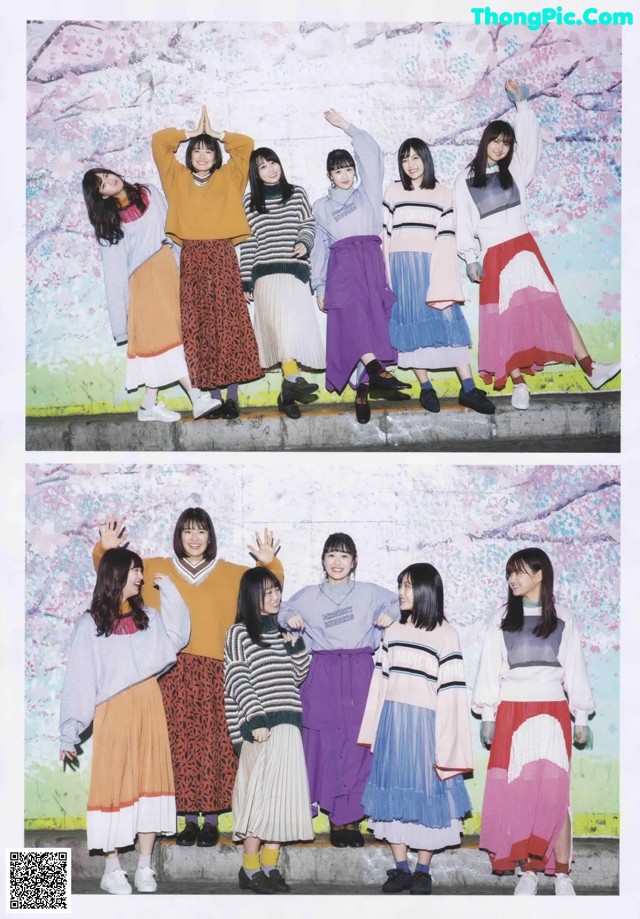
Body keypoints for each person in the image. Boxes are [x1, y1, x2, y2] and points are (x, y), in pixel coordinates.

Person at [93, 510, 283, 850]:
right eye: (187, 532)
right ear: (178, 536)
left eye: (201, 532)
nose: (194, 538)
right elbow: (115, 577)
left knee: (215, 744)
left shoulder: (232, 573)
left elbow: (266, 589)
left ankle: (210, 820)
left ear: (211, 537)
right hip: (171, 672)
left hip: (216, 670)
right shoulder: (155, 568)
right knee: (177, 746)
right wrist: (104, 551)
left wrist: (271, 565)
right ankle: (184, 819)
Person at [454, 79, 621, 409]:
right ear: (485, 142)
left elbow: (531, 146)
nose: (500, 147)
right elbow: (462, 221)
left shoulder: (514, 170)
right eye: (496, 141)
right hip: (493, 255)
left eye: (506, 142)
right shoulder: (464, 178)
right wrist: (470, 257)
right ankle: (519, 384)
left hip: (523, 247)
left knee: (552, 306)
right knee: (502, 319)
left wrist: (524, 107)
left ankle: (592, 368)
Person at [59, 548, 190, 894]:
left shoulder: (147, 616)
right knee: (113, 785)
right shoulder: (90, 625)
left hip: (148, 704)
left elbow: (177, 639)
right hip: (113, 712)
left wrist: (172, 594)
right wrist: (68, 733)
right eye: (135, 570)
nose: (141, 577)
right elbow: (80, 679)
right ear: (116, 574)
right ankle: (112, 868)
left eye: (141, 571)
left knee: (150, 781)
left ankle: (145, 867)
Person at [471, 547, 595, 895]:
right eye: (509, 573)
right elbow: (489, 670)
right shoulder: (500, 618)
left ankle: (563, 875)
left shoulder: (564, 617)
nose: (512, 579)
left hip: (553, 710)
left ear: (539, 574)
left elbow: (575, 668)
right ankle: (529, 871)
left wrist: (581, 715)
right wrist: (488, 714)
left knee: (555, 795)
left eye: (519, 572)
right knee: (519, 793)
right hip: (511, 709)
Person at [277, 533, 399, 847]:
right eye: (331, 555)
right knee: (327, 745)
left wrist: (392, 614)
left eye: (344, 556)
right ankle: (335, 819)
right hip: (321, 673)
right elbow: (280, 608)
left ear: (354, 561)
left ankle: (352, 820)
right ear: (323, 559)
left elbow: (401, 600)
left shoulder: (369, 592)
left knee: (360, 745)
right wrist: (288, 617)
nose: (337, 562)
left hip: (359, 671)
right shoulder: (308, 595)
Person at [358, 563, 473, 895]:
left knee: (429, 795)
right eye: (400, 585)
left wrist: (448, 742)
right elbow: (379, 684)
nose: (401, 592)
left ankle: (423, 869)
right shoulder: (392, 631)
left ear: (426, 590)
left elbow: (451, 693)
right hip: (393, 724)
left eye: (408, 586)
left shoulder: (446, 634)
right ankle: (401, 868)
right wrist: (374, 730)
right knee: (391, 795)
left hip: (427, 727)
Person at [81, 169, 220, 422]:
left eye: (105, 175)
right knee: (168, 338)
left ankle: (148, 405)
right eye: (102, 185)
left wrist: (188, 271)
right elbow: (114, 275)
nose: (109, 181)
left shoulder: (150, 192)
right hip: (144, 282)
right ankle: (196, 396)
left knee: (172, 338)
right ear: (101, 196)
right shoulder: (111, 224)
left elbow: (173, 231)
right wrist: (120, 325)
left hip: (169, 272)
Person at [152, 106, 262, 419]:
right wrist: (190, 133)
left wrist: (215, 134)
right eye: (196, 150)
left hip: (223, 254)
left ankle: (231, 397)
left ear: (216, 156)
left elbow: (246, 144)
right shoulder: (176, 177)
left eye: (208, 150)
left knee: (230, 322)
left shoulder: (230, 176)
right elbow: (160, 142)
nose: (202, 155)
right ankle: (211, 397)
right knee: (200, 325)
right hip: (193, 258)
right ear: (189, 155)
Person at [311, 109, 410, 425]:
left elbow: (372, 155)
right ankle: (376, 369)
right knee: (353, 320)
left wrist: (348, 127)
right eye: (337, 170)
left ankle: (363, 390)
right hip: (342, 267)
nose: (344, 174)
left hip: (370, 261)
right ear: (329, 175)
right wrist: (320, 286)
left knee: (370, 324)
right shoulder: (322, 206)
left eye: (348, 169)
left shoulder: (366, 194)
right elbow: (318, 248)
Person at [383, 139, 495, 415]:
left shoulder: (444, 193)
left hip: (431, 266)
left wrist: (440, 277)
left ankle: (468, 388)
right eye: (405, 159)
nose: (410, 165)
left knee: (448, 321)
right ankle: (426, 388)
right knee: (410, 325)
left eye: (415, 158)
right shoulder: (393, 191)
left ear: (426, 159)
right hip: (400, 269)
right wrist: (385, 278)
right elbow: (383, 237)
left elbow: (446, 239)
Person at [224, 568, 314, 893]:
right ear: (251, 596)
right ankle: (249, 869)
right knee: (258, 800)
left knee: (282, 800)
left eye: (277, 590)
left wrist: (296, 648)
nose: (275, 597)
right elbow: (236, 678)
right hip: (260, 727)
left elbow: (298, 676)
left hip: (289, 725)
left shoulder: (280, 633)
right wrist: (255, 719)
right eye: (267, 592)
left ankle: (270, 866)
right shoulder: (238, 633)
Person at [240, 147, 325, 419]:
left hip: (294, 272)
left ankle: (287, 391)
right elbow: (249, 243)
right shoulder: (250, 202)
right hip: (265, 276)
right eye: (262, 166)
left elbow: (308, 225)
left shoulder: (297, 193)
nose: (270, 169)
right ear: (256, 173)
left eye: (273, 162)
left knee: (292, 330)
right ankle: (293, 379)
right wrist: (245, 282)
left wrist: (304, 242)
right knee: (279, 332)